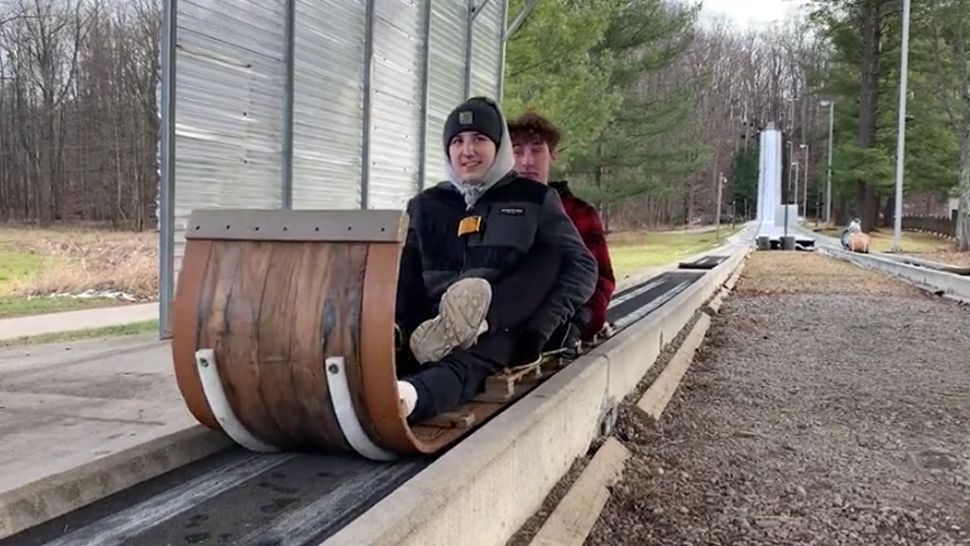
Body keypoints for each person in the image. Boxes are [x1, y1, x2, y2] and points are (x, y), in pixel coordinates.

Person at [394, 96, 598, 423]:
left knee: (471, 363)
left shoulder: (534, 199)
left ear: (499, 146)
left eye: (479, 139)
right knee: (420, 340)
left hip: (501, 323)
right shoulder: (426, 205)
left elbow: (582, 266)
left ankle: (406, 398)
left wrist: (540, 328)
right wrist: (405, 324)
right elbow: (407, 273)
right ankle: (414, 349)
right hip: (431, 323)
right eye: (457, 141)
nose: (467, 150)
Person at [507, 112, 616, 344]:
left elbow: (603, 280)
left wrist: (581, 321)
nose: (527, 161)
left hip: (560, 329)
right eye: (517, 151)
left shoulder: (579, 213)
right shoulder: (492, 211)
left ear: (552, 155)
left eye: (537, 150)